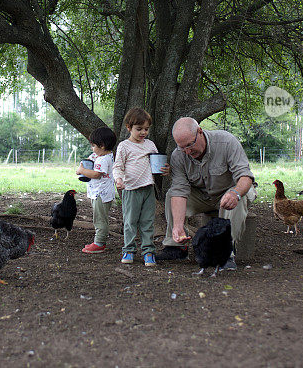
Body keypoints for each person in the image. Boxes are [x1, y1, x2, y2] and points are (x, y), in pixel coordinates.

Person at [156, 117, 256, 270]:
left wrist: (235, 193)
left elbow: (245, 177)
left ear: (200, 132)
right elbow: (179, 190)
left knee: (238, 198)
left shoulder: (226, 142)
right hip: (202, 196)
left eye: (190, 145)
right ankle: (176, 246)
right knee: (171, 195)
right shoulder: (178, 155)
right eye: (183, 148)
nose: (188, 152)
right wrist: (178, 225)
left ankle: (227, 253)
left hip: (230, 191)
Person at [113, 108, 159, 267]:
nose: (143, 132)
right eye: (139, 129)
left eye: (146, 129)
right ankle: (129, 250)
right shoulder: (124, 146)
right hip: (131, 189)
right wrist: (118, 179)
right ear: (129, 128)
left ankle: (148, 252)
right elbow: (117, 166)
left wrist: (163, 170)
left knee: (147, 221)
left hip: (148, 189)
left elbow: (156, 164)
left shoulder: (150, 145)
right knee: (130, 221)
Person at [76, 127, 118, 254]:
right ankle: (99, 241)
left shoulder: (104, 159)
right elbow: (90, 159)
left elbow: (96, 174)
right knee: (98, 217)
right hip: (99, 193)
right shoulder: (101, 155)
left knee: (100, 218)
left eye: (93, 146)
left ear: (102, 146)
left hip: (101, 194)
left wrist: (82, 171)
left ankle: (99, 243)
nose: (92, 149)